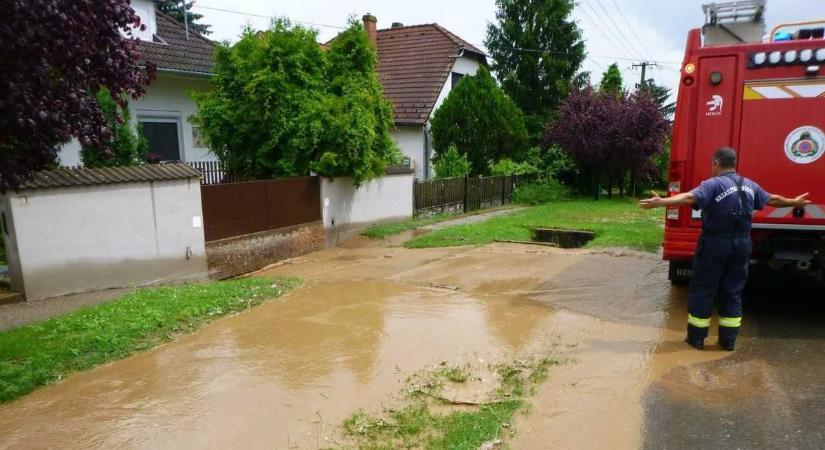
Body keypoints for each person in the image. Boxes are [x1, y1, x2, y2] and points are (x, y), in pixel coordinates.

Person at [639, 147, 810, 351]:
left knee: (703, 289)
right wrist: (794, 202)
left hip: (715, 243)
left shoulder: (713, 184)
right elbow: (772, 199)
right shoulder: (750, 185)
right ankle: (727, 341)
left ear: (716, 164)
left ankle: (696, 339)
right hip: (742, 245)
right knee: (733, 291)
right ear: (734, 164)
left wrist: (661, 202)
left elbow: (689, 198)